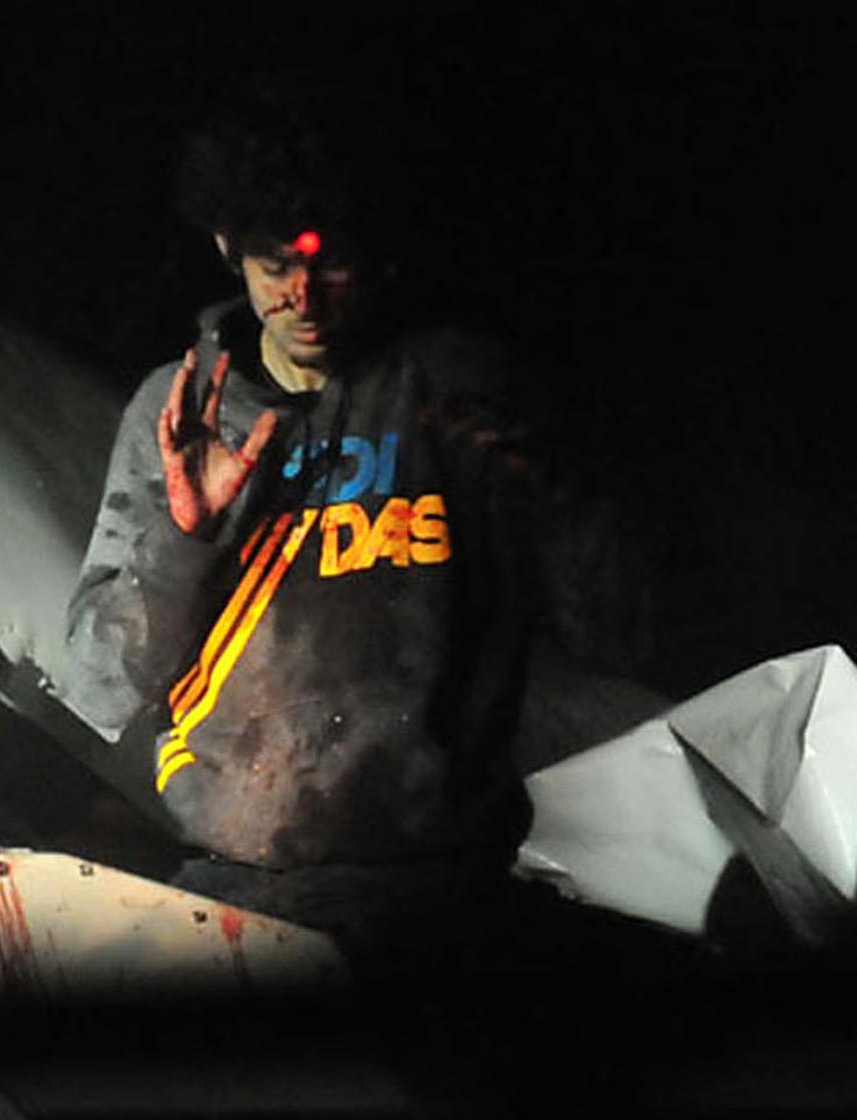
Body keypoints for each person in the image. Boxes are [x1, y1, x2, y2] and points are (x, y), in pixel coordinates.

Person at [59, 77, 651, 971]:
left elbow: (620, 635)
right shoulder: (183, 414)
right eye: (273, 263)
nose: (305, 295)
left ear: (375, 252)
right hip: (225, 897)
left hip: (436, 903)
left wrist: (560, 493)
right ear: (226, 247)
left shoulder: (458, 394)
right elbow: (101, 681)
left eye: (329, 262)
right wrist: (186, 536)